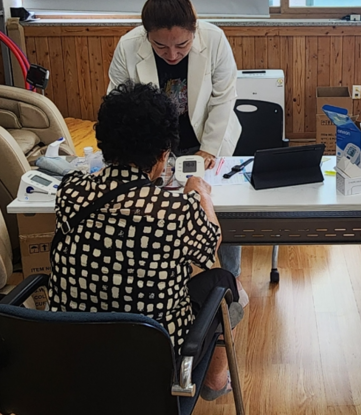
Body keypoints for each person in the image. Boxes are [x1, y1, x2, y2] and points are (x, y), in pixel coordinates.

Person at [48, 82, 238, 400]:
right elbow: (210, 241)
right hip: (153, 366)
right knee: (225, 281)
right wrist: (201, 193)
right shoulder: (177, 210)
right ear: (164, 154)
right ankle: (215, 382)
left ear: (104, 143)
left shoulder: (70, 191)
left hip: (74, 358)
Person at [107, 0, 244, 287]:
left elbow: (224, 97)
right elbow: (118, 104)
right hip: (154, 145)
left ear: (195, 30)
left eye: (182, 45)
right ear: (147, 36)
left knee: (219, 205)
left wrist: (208, 148)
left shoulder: (214, 39)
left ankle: (231, 277)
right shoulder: (128, 46)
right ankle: (163, 277)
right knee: (155, 210)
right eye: (160, 46)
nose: (172, 54)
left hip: (207, 136)